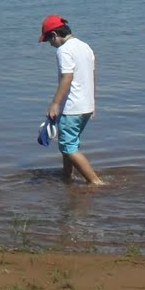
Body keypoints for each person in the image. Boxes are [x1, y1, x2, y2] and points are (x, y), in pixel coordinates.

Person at [38, 14, 103, 185]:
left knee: (67, 146)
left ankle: (96, 182)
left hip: (72, 107)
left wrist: (55, 103)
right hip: (86, 106)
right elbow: (91, 76)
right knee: (69, 145)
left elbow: (67, 77)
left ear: (54, 35)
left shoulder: (64, 50)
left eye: (49, 41)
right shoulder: (85, 47)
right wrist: (93, 103)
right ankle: (67, 177)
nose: (50, 45)